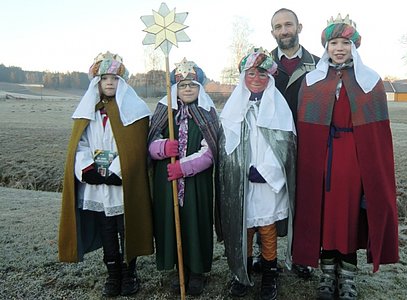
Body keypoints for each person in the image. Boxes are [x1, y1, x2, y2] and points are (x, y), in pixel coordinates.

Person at [292, 14, 399, 300]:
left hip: (354, 161)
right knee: (324, 215)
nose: (339, 48)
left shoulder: (370, 81)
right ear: (326, 46)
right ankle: (327, 274)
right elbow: (306, 130)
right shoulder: (312, 81)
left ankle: (348, 277)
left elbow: (377, 135)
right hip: (321, 161)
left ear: (355, 46)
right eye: (334, 43)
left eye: (345, 42)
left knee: (349, 216)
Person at [58, 51, 154, 297]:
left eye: (114, 77)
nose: (109, 82)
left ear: (122, 81)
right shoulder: (87, 112)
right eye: (104, 78)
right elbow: (80, 144)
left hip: (124, 183)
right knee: (107, 229)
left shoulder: (135, 110)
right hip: (96, 185)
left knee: (126, 227)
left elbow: (135, 146)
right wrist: (86, 168)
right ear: (96, 82)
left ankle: (130, 272)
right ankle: (113, 274)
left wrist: (117, 171)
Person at [218, 48, 296, 300]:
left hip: (267, 183)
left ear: (269, 77)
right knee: (244, 227)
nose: (256, 78)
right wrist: (238, 169)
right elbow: (225, 146)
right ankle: (243, 273)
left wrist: (266, 171)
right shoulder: (233, 107)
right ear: (243, 77)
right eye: (251, 73)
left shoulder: (279, 106)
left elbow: (285, 146)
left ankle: (270, 275)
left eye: (262, 73)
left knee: (266, 227)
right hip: (240, 181)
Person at [251, 7, 320, 279]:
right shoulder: (263, 65)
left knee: (301, 201)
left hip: (306, 142)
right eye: (278, 27)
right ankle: (262, 254)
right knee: (264, 197)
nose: (284, 31)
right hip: (269, 144)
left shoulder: (317, 64)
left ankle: (301, 256)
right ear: (272, 32)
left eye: (288, 25)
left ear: (299, 27)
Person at [147, 58, 220, 296]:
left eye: (193, 85)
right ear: (174, 88)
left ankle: (197, 271)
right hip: (167, 180)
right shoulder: (164, 112)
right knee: (171, 221)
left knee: (194, 220)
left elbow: (209, 151)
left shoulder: (207, 113)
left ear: (200, 87)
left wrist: (184, 167)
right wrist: (162, 147)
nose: (188, 89)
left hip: (196, 181)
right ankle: (179, 269)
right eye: (183, 85)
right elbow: (149, 141)